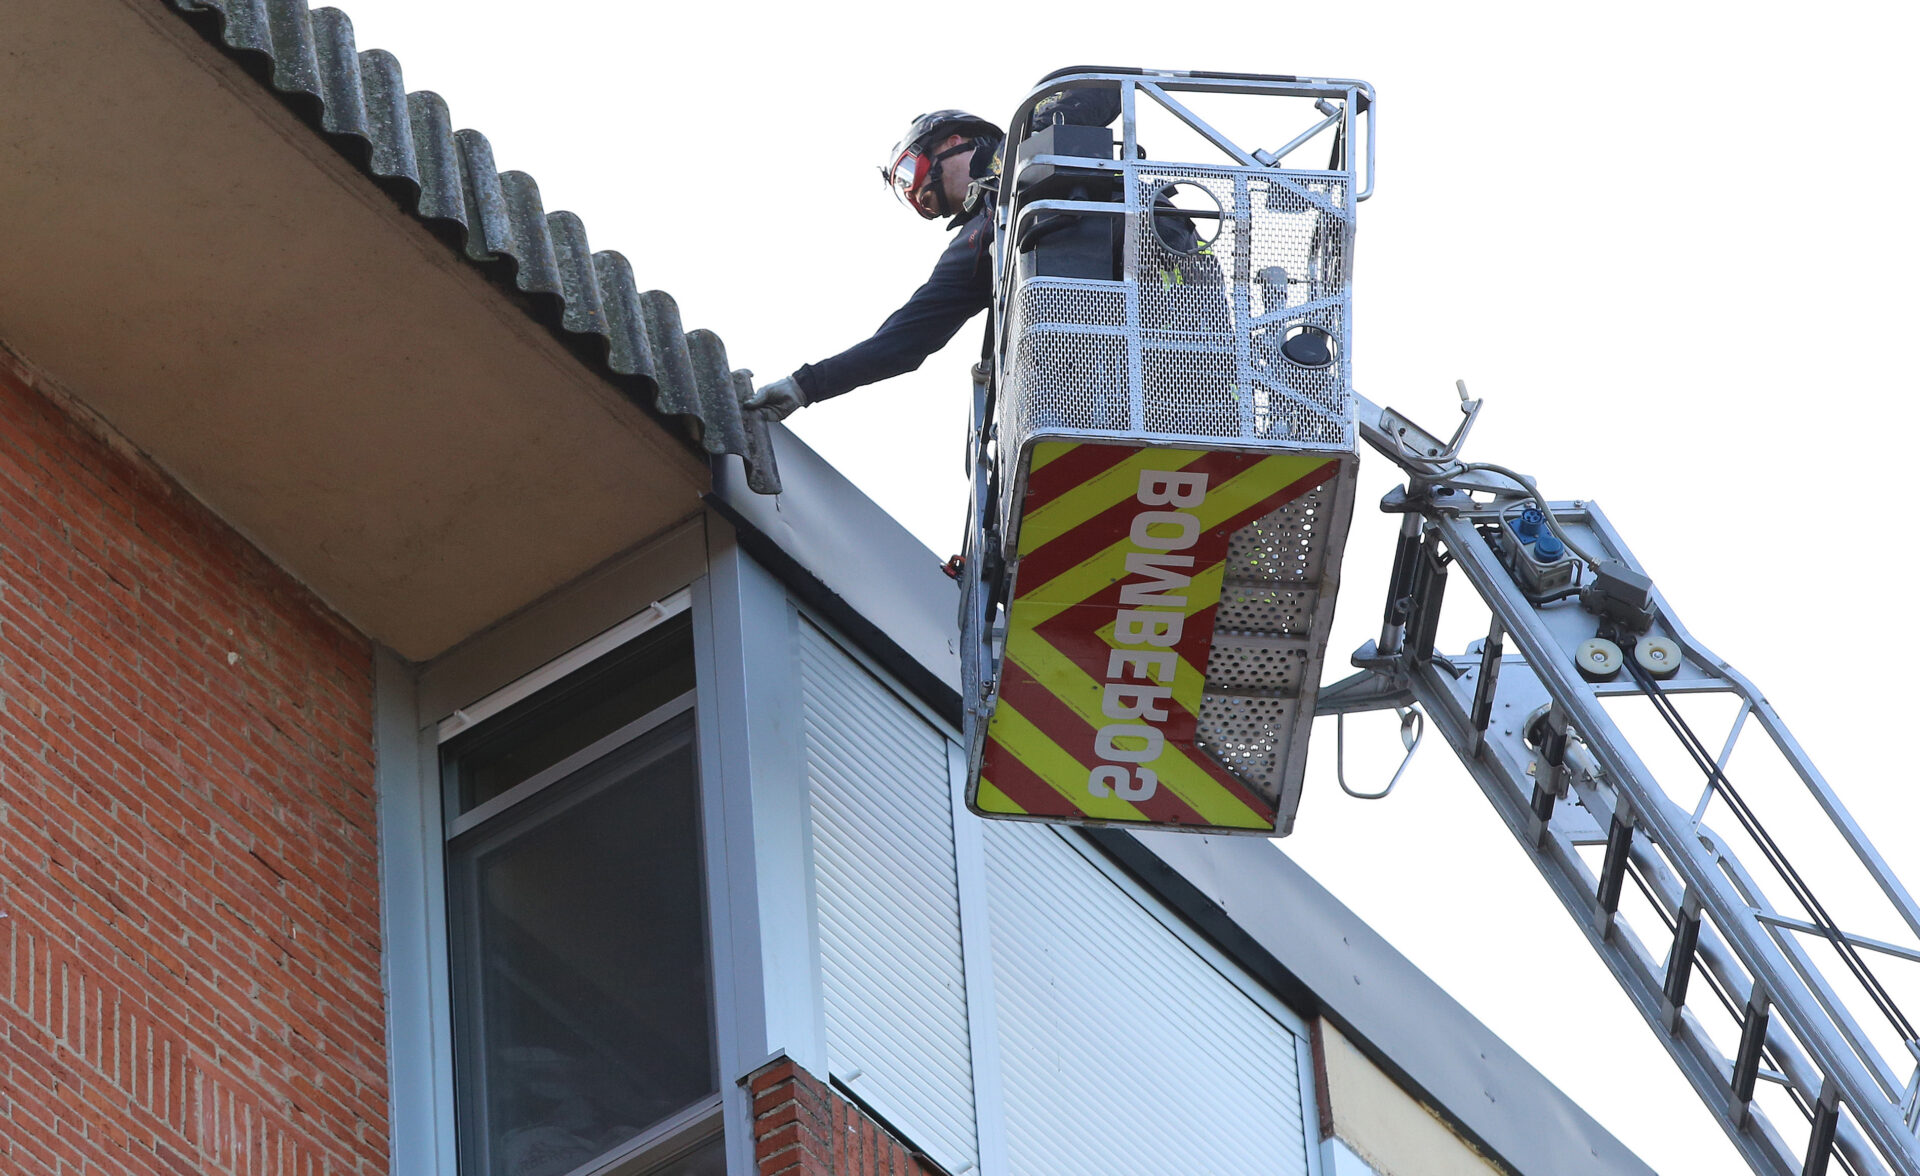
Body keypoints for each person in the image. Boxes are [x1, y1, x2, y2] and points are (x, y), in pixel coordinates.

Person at [744, 94, 1119, 421]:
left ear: (952, 142)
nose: (914, 194)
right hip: (1088, 357)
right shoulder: (974, 242)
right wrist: (804, 386)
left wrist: (1039, 125)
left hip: (1146, 265)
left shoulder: (1027, 138)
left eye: (908, 174)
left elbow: (1101, 93)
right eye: (903, 190)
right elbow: (903, 340)